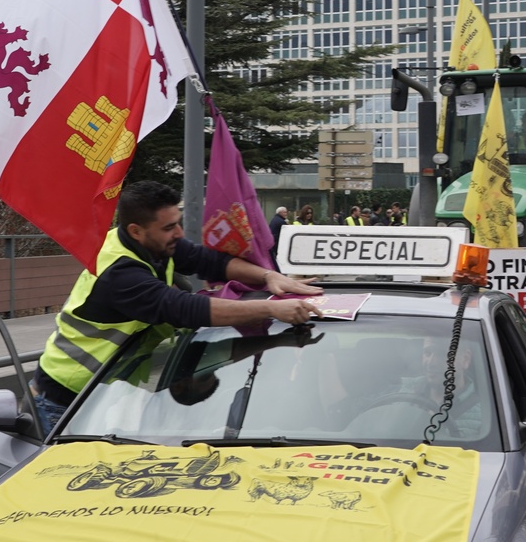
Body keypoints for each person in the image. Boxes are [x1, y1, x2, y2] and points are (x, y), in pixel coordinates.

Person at [30, 181, 323, 433]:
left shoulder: (154, 244)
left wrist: (269, 276)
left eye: (178, 223)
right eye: (169, 227)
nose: (179, 233)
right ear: (136, 230)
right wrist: (271, 310)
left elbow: (209, 262)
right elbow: (185, 308)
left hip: (102, 389)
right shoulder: (120, 273)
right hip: (65, 396)